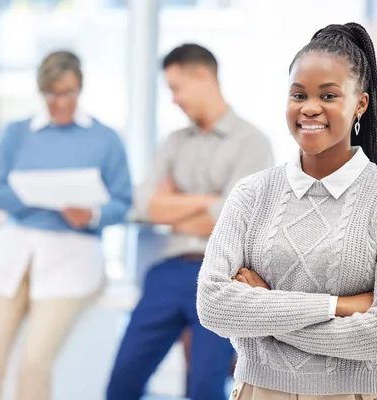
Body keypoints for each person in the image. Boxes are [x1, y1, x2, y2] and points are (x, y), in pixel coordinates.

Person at [197, 22, 377, 400]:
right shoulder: (252, 194)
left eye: (329, 95)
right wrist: (340, 306)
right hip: (257, 391)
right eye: (298, 94)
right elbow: (213, 305)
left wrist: (266, 315)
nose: (310, 108)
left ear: (360, 104)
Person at [107, 43, 274, 400]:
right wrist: (210, 203)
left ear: (203, 76)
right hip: (167, 272)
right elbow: (143, 205)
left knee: (204, 389)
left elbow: (236, 223)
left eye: (176, 87)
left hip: (220, 277)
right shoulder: (173, 142)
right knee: (121, 385)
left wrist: (172, 206)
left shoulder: (252, 143)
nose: (173, 99)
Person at [0, 51, 132, 400]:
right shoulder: (15, 133)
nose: (61, 102)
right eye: (52, 93)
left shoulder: (105, 139)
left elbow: (122, 203)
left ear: (81, 88)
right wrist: (41, 196)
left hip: (73, 255)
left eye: (69, 92)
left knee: (32, 364)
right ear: (41, 91)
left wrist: (92, 215)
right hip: (12, 251)